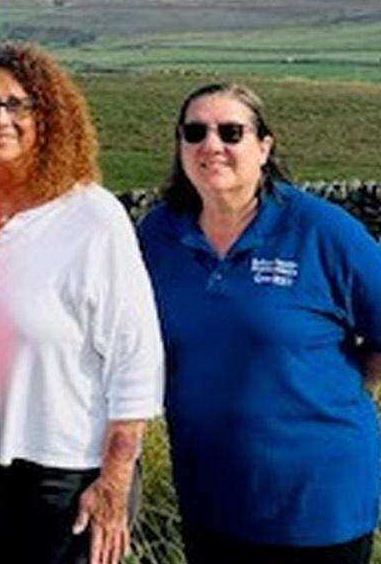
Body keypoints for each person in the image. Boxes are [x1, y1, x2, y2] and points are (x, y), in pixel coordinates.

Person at [0, 43, 163, 564]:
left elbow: (135, 359)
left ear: (46, 116)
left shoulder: (91, 217)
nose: (0, 118)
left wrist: (115, 480)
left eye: (19, 104)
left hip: (67, 471)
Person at [138, 83, 381, 564]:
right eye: (195, 132)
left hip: (316, 502)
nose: (212, 146)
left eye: (231, 132)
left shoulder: (322, 232)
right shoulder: (158, 235)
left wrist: (336, 392)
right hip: (210, 495)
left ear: (264, 147)